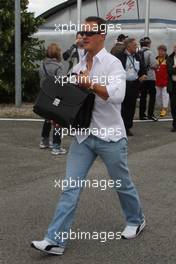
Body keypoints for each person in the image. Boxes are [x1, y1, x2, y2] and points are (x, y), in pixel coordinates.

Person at [31, 16, 145, 255]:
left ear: (102, 36)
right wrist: (58, 114)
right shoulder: (78, 64)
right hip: (83, 136)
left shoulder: (113, 63)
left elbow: (117, 96)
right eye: (81, 32)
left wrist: (90, 84)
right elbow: (71, 97)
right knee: (70, 187)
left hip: (110, 136)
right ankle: (55, 240)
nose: (83, 36)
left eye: (88, 33)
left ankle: (136, 220)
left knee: (122, 184)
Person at [39, 43, 67, 155]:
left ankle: (44, 141)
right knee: (57, 120)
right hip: (56, 96)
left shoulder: (42, 65)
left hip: (45, 94)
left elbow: (41, 79)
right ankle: (56, 146)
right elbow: (61, 84)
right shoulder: (59, 66)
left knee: (47, 118)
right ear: (58, 53)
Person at [116, 38, 147, 136]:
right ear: (128, 46)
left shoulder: (138, 56)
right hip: (123, 84)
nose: (136, 47)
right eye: (134, 45)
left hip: (134, 84)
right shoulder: (120, 56)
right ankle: (119, 127)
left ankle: (127, 127)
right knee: (121, 107)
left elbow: (143, 68)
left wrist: (144, 74)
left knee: (131, 107)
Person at [139, 37, 158, 121]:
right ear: (148, 44)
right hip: (150, 77)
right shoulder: (150, 52)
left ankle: (142, 114)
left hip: (141, 77)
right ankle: (151, 114)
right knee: (152, 96)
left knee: (143, 96)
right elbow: (154, 65)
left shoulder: (138, 52)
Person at [155, 45, 169, 117]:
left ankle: (164, 108)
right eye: (159, 50)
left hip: (165, 81)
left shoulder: (168, 60)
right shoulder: (156, 59)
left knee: (165, 96)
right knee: (158, 96)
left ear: (165, 51)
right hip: (157, 81)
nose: (160, 52)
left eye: (161, 51)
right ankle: (161, 107)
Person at [167, 43, 176, 132]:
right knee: (173, 105)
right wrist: (173, 68)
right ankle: (175, 124)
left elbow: (173, 70)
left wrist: (174, 68)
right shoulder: (170, 58)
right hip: (173, 85)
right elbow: (169, 70)